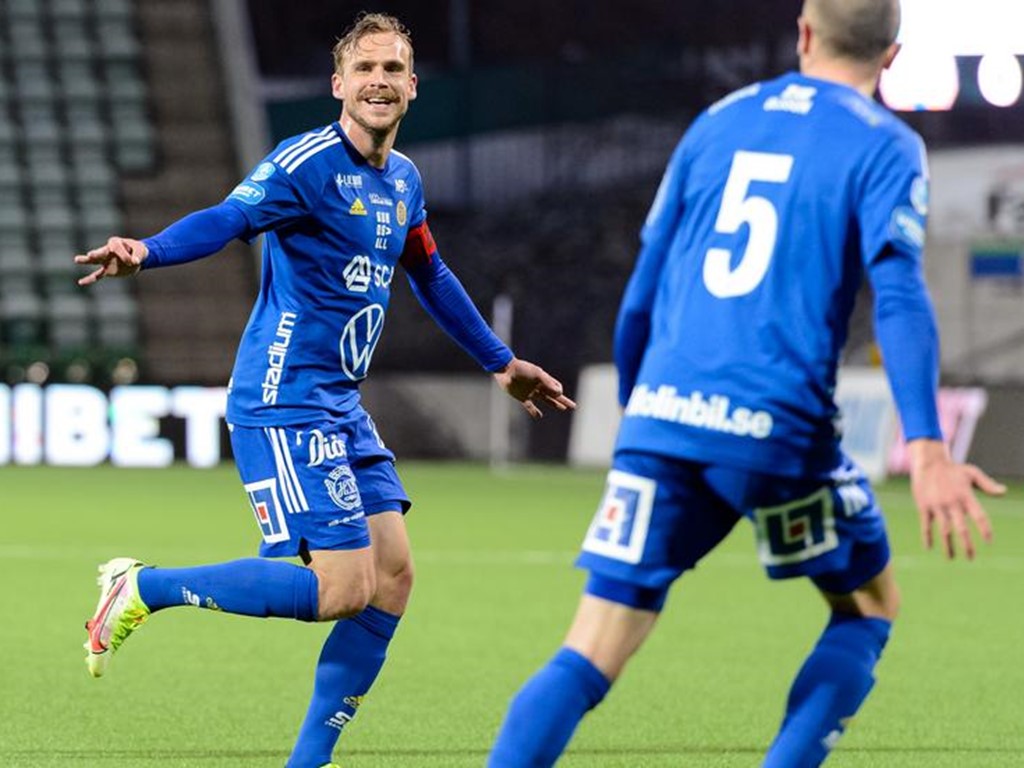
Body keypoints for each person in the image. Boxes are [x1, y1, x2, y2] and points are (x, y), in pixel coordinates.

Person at [487, 1, 1005, 766]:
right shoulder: (887, 144)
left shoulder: (720, 121)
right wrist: (925, 446)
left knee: (591, 646)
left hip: (664, 422)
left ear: (803, 33)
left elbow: (641, 296)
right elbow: (898, 296)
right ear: (891, 58)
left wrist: (644, 418)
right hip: (776, 431)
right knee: (868, 606)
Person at [76, 13, 574, 768]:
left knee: (394, 579)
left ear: (412, 87)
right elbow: (230, 218)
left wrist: (501, 364)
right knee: (342, 588)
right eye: (365, 67)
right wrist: (148, 251)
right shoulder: (306, 161)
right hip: (282, 400)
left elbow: (429, 271)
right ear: (339, 84)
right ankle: (145, 586)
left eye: (394, 68)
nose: (380, 79)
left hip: (340, 404)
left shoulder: (403, 181)